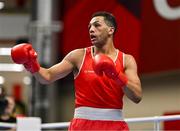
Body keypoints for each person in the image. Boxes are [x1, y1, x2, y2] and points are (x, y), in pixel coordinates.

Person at [11, 11, 142, 130]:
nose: (91, 30)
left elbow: (137, 96)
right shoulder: (78, 56)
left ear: (110, 30)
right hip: (83, 124)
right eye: (89, 27)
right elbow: (47, 76)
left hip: (114, 124)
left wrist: (116, 74)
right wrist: (32, 64)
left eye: (97, 25)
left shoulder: (126, 60)